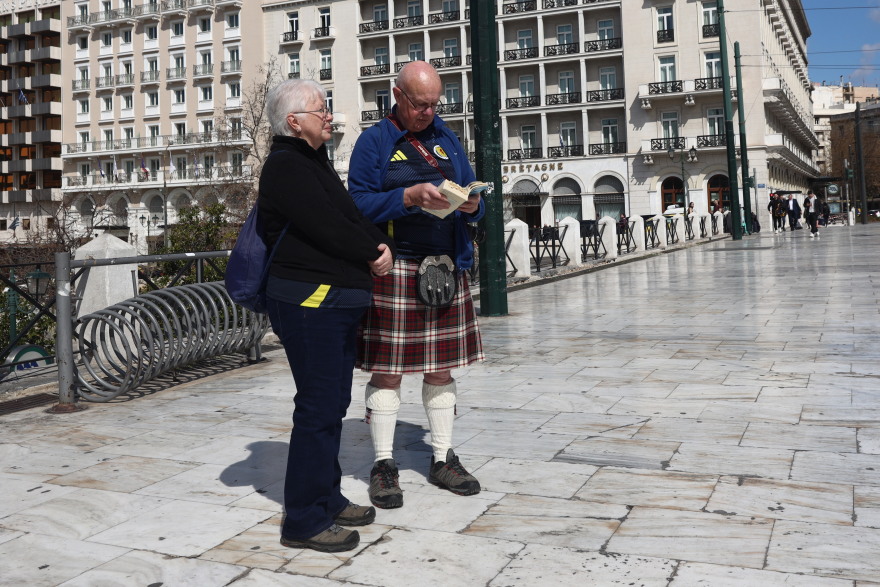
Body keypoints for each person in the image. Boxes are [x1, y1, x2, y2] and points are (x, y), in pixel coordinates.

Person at [258, 78, 396, 552]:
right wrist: (371, 252)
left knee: (333, 404)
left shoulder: (311, 161)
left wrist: (381, 244)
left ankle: (326, 497)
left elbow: (349, 215)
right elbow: (328, 226)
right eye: (321, 110)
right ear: (294, 122)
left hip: (332, 302)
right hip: (308, 303)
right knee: (317, 408)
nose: (330, 116)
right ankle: (303, 519)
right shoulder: (285, 166)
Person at [348, 61, 486, 509]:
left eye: (434, 104)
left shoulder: (447, 138)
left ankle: (443, 457)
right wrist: (407, 197)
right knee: (388, 371)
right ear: (397, 95)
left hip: (445, 266)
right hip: (397, 270)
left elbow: (475, 198)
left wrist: (473, 205)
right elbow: (356, 204)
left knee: (441, 368)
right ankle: (383, 465)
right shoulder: (374, 142)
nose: (428, 112)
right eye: (420, 104)